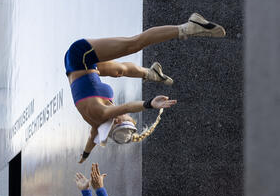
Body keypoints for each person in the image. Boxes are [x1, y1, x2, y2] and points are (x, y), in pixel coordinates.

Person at [65, 13, 225, 162]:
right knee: (120, 70)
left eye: (126, 117)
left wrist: (149, 104)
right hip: (84, 68)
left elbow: (128, 106)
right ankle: (150, 73)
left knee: (133, 44)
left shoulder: (103, 114)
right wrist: (85, 155)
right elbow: (92, 138)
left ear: (118, 120)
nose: (125, 114)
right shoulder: (98, 124)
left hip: (80, 56)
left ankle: (188, 27)